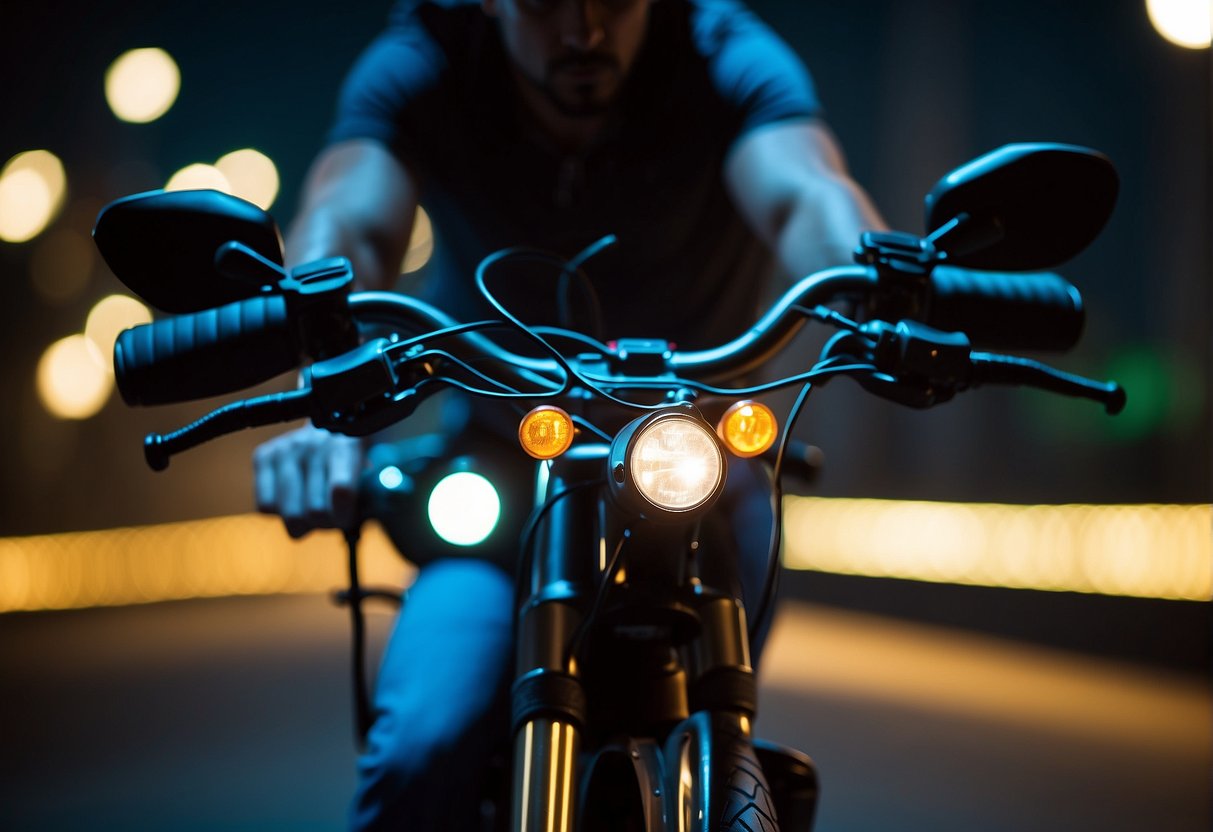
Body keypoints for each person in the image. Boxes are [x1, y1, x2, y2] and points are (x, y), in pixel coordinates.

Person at [254, 0, 886, 828]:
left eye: (614, 0)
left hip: (695, 465)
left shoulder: (721, 52)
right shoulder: (428, 59)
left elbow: (805, 192)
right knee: (421, 750)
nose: (584, 31)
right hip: (504, 471)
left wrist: (882, 293)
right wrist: (328, 370)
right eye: (547, 2)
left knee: (737, 608)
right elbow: (351, 219)